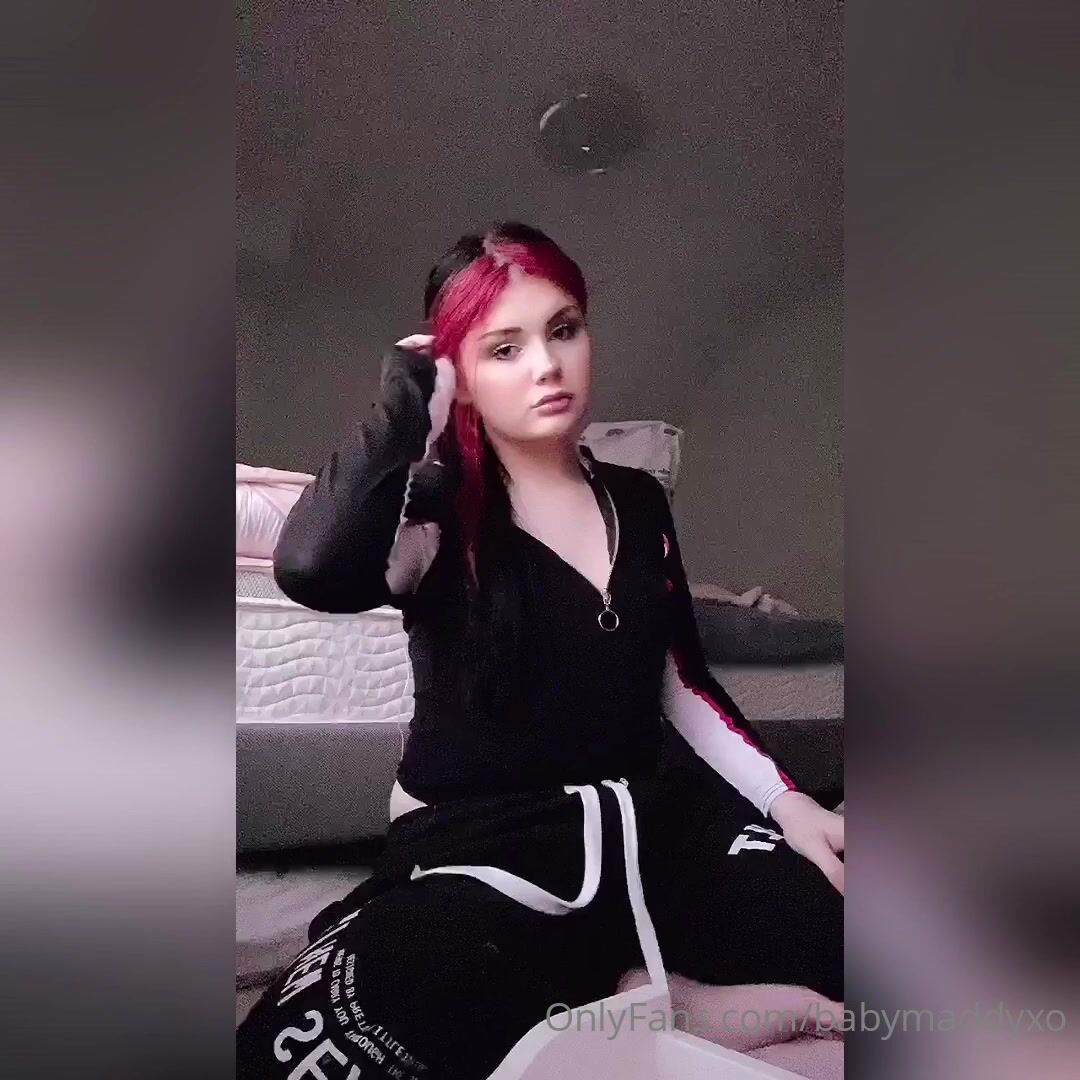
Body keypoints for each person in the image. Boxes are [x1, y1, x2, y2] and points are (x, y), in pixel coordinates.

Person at [237, 222, 843, 1080]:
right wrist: (408, 403)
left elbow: (680, 677)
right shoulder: (436, 509)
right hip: (482, 839)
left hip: (649, 821)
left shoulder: (637, 500)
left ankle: (655, 994)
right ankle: (648, 999)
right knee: (345, 1033)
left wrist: (789, 804)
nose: (547, 366)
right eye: (504, 348)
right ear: (462, 374)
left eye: (563, 330)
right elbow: (310, 568)